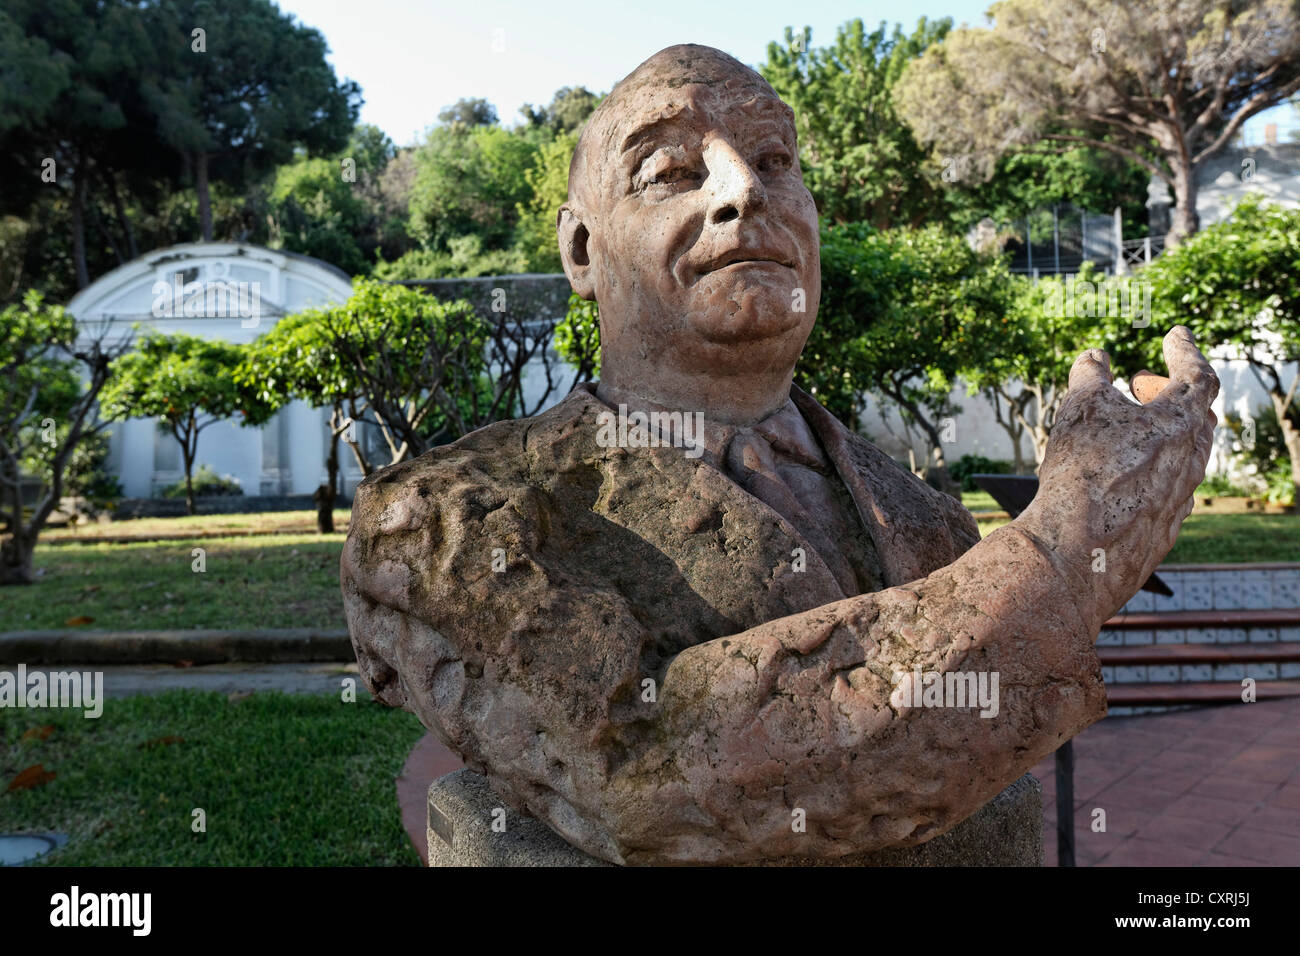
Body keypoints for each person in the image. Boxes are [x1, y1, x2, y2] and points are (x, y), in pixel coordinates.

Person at [341, 45, 1217, 865]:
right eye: (670, 172)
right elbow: (647, 777)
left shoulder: (930, 522)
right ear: (581, 249)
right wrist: (1073, 536)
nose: (742, 192)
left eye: (774, 161)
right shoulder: (439, 516)